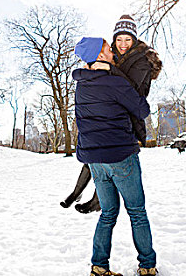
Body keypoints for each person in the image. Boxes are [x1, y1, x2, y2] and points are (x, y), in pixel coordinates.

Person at [73, 37, 157, 276]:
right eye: (108, 49)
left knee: (108, 213)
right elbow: (141, 110)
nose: (112, 51)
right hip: (121, 156)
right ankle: (147, 267)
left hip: (95, 161)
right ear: (99, 55)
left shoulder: (82, 84)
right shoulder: (113, 82)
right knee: (137, 213)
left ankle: (98, 267)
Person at [60, 15, 162, 214]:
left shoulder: (141, 60)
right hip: (113, 111)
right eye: (119, 39)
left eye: (127, 40)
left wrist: (107, 69)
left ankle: (97, 201)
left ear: (134, 40)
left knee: (107, 155)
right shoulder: (111, 54)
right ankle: (77, 193)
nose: (122, 44)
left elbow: (129, 89)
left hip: (129, 115)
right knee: (95, 156)